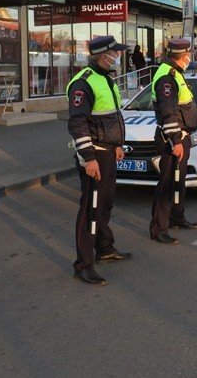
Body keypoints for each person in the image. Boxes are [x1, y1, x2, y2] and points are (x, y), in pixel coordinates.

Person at [67, 35, 132, 286]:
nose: (117, 56)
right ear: (102, 55)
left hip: (108, 152)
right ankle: (83, 265)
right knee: (90, 209)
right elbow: (77, 123)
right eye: (114, 52)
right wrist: (89, 158)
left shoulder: (105, 78)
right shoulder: (82, 84)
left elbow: (111, 116)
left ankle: (105, 248)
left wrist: (116, 146)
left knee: (104, 204)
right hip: (94, 154)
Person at [150, 38, 197, 245]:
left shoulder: (175, 74)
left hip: (182, 137)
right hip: (173, 139)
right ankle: (158, 229)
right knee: (167, 184)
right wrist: (176, 140)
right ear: (182, 56)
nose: (190, 57)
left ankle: (177, 218)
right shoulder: (167, 78)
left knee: (179, 181)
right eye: (189, 54)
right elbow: (168, 113)